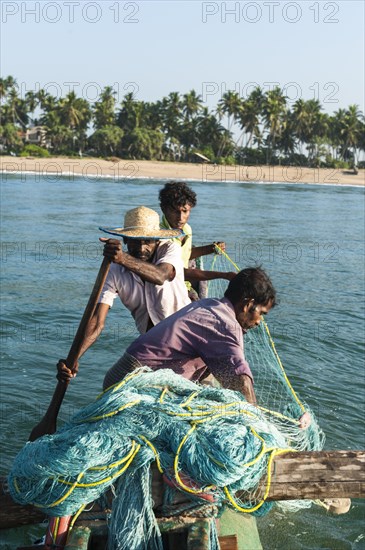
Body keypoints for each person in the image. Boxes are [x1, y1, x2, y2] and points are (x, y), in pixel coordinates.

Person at [64, 206, 191, 366]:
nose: (141, 248)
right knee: (112, 380)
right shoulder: (115, 270)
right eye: (135, 242)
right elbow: (97, 321)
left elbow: (160, 276)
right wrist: (74, 359)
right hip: (153, 345)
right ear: (125, 240)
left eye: (147, 242)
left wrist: (123, 258)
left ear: (157, 240)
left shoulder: (169, 249)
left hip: (188, 336)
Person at [159, 181, 236, 299]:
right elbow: (177, 272)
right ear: (163, 209)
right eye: (175, 211)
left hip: (184, 285)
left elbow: (186, 254)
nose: (180, 218)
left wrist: (211, 248)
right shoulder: (160, 235)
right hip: (168, 290)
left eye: (185, 211)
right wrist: (223, 275)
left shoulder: (186, 229)